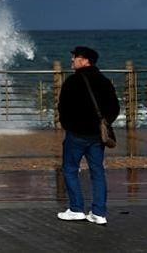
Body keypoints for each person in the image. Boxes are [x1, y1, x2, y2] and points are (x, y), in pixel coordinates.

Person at [56, 45, 120, 225]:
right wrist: (104, 123)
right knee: (97, 171)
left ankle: (76, 209)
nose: (72, 60)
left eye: (75, 57)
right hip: (97, 136)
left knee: (69, 169)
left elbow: (63, 108)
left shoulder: (72, 82)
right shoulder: (104, 81)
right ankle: (99, 213)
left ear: (84, 60)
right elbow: (115, 108)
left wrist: (68, 125)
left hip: (76, 134)